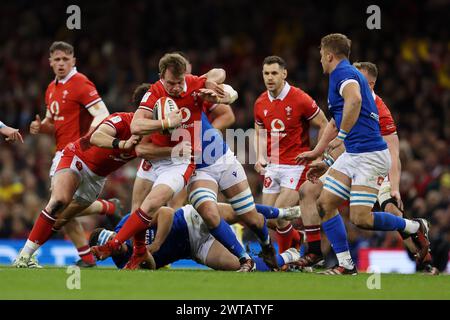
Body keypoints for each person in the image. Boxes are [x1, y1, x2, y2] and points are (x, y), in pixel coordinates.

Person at [296, 33, 430, 275]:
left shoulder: (343, 74)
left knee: (361, 219)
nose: (319, 61)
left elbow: (355, 100)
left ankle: (412, 226)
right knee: (325, 203)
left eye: (320, 56)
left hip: (369, 156)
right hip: (354, 155)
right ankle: (346, 265)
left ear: (329, 55)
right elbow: (336, 122)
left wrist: (343, 137)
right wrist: (319, 154)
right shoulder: (348, 74)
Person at [13, 83, 168, 268]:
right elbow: (96, 137)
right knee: (59, 201)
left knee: (62, 219)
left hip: (96, 179)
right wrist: (122, 144)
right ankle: (23, 257)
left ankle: (31, 256)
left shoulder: (153, 137)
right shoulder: (121, 119)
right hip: (77, 158)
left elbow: (150, 155)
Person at [26, 41, 121, 267]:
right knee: (61, 209)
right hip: (62, 153)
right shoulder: (51, 89)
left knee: (58, 205)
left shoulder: (80, 83)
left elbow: (102, 114)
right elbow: (53, 122)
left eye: (65, 59)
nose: (61, 64)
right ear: (50, 62)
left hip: (79, 155)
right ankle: (87, 257)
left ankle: (107, 208)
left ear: (73, 61)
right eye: (57, 60)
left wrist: (89, 138)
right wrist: (42, 126)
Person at [254, 55, 328, 256]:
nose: (270, 78)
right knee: (266, 219)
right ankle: (297, 238)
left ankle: (287, 259)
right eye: (266, 73)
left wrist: (318, 155)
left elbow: (324, 123)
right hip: (273, 165)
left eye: (274, 73)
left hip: (296, 165)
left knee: (279, 214)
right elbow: (260, 130)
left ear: (284, 74)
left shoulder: (299, 98)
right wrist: (260, 156)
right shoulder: (260, 102)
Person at [90, 203, 302, 271]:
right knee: (237, 266)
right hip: (194, 249)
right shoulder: (122, 264)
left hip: (191, 219)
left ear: (114, 234)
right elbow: (152, 267)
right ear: (106, 254)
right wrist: (145, 254)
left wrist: (155, 244)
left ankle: (280, 214)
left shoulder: (128, 222)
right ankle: (292, 256)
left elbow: (165, 212)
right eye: (109, 247)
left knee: (237, 213)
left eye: (112, 239)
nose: (115, 245)